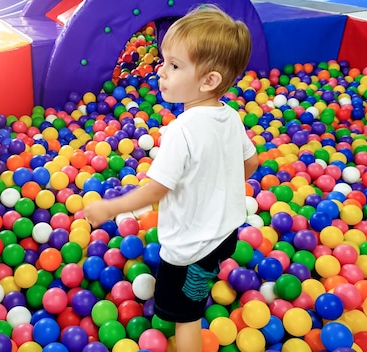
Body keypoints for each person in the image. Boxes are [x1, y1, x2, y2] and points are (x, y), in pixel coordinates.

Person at [83, 4, 259, 351]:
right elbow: (251, 163)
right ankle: (204, 280)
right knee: (202, 278)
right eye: (164, 61)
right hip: (226, 234)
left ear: (209, 80)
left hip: (191, 248)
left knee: (186, 317)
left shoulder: (182, 130)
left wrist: (108, 209)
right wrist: (217, 189)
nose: (161, 72)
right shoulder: (230, 117)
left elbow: (154, 192)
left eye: (174, 66)